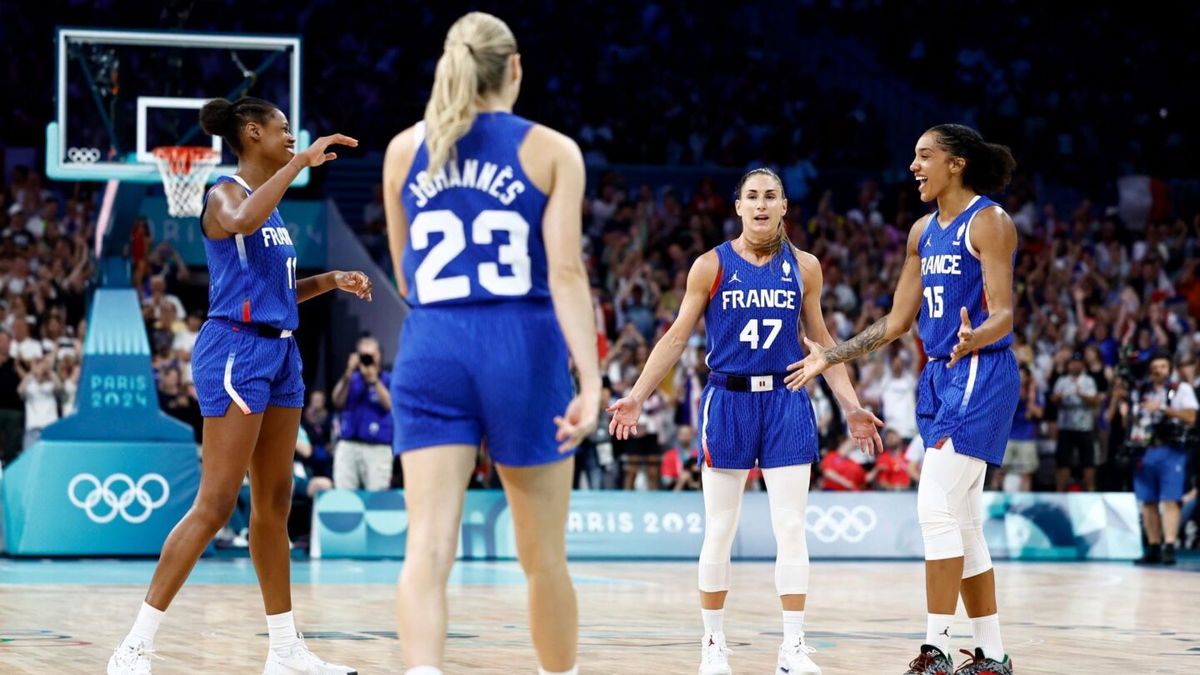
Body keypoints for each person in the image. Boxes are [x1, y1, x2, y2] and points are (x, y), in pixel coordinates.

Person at [108, 96, 371, 675]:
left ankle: (284, 649)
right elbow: (240, 221)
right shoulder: (224, 194)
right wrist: (301, 164)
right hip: (234, 349)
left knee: (274, 503)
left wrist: (332, 279)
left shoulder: (273, 214)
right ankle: (135, 645)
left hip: (280, 350)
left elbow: (276, 291)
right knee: (216, 502)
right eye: (282, 130)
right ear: (252, 133)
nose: (290, 137)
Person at [381, 13, 600, 675]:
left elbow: (404, 274)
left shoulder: (400, 151)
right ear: (514, 69)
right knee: (544, 558)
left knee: (426, 548)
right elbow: (565, 272)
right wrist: (591, 382)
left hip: (433, 340)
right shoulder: (553, 149)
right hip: (520, 345)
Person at [608, 167, 883, 675]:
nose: (761, 204)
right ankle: (713, 645)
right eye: (752, 196)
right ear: (737, 207)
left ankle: (793, 648)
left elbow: (823, 347)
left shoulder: (805, 267)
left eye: (770, 196)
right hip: (728, 400)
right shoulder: (709, 266)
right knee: (720, 528)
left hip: (787, 398)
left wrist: (851, 406)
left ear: (784, 207)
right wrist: (637, 395)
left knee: (792, 527)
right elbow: (673, 338)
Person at [788, 124, 1019, 674]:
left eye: (925, 156)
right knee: (963, 522)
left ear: (957, 163)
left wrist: (976, 336)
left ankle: (936, 648)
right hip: (939, 375)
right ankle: (991, 656)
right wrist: (832, 355)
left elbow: (1005, 311)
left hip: (978, 370)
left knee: (932, 505)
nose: (914, 166)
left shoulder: (989, 221)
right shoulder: (921, 232)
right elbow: (895, 322)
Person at [1130, 352, 1198, 565]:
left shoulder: (1181, 389)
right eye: (1155, 366)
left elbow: (1191, 417)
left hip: (1171, 450)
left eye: (1163, 366)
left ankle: (1169, 546)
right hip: (1145, 450)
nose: (1158, 370)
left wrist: (1161, 408)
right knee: (1148, 502)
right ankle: (1153, 546)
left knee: (1170, 500)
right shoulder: (1141, 390)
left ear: (1170, 369)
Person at [330, 335, 394, 490]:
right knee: (345, 498)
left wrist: (374, 380)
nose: (366, 359)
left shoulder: (388, 379)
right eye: (362, 355)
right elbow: (337, 402)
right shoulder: (352, 379)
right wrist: (347, 374)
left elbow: (390, 405)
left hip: (378, 448)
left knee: (376, 500)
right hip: (348, 445)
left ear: (378, 355)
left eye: (370, 355)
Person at [1052, 353, 1100, 491]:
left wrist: (1081, 395)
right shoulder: (1062, 381)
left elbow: (1095, 401)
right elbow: (1053, 400)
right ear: (1069, 365)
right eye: (1073, 362)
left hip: (1084, 427)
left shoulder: (1088, 381)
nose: (1075, 365)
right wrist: (1059, 397)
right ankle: (1060, 492)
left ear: (1083, 365)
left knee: (1088, 462)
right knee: (1063, 461)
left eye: (1078, 362)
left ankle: (1090, 491)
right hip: (1066, 426)